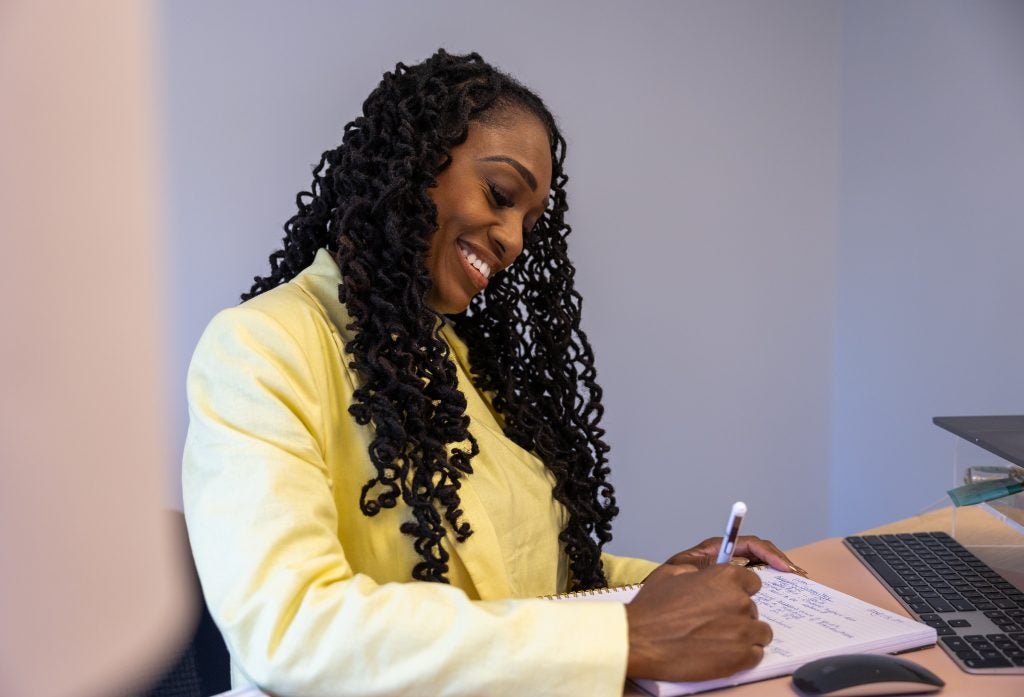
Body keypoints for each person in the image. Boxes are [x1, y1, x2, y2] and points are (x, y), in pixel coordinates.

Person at [182, 49, 806, 697]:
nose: (510, 238)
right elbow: (290, 628)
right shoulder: (261, 346)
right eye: (500, 195)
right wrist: (627, 635)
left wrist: (652, 586)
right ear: (413, 161)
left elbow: (519, 578)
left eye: (528, 224)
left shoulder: (460, 363)